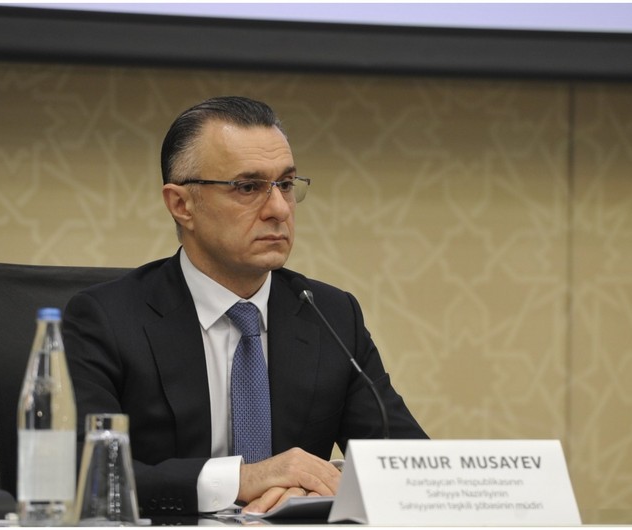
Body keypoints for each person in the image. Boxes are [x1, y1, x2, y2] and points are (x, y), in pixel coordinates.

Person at [62, 96, 427, 518]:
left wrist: (325, 487)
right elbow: (83, 473)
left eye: (285, 185)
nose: (278, 209)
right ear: (181, 205)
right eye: (248, 187)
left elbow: (410, 468)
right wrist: (241, 480)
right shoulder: (106, 319)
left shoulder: (330, 315)